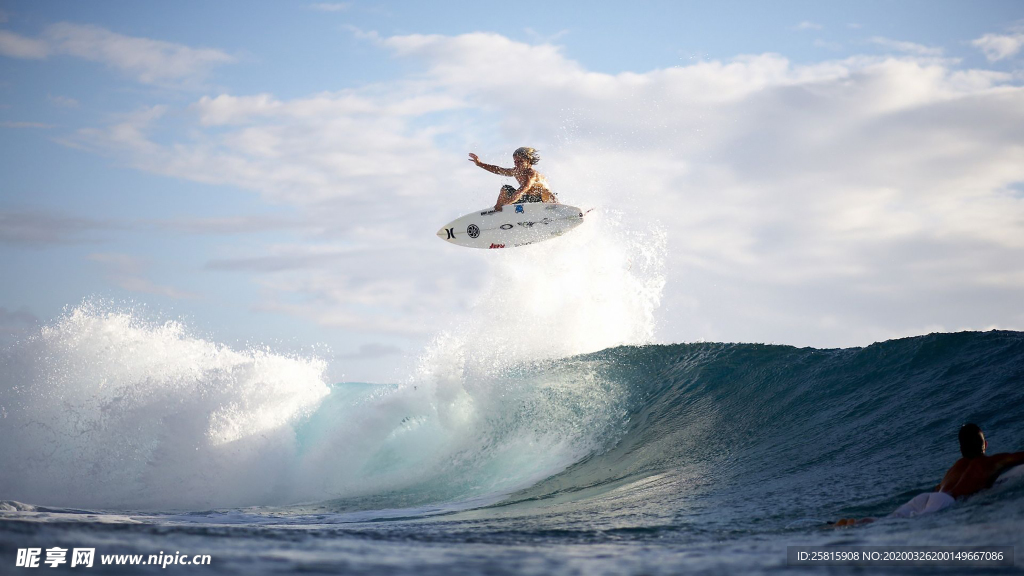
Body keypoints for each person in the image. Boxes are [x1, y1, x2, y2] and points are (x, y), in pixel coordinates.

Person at [833, 424, 1024, 526]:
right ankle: (854, 526)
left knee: (890, 519)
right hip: (945, 502)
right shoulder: (988, 462)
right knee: (907, 524)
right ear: (985, 445)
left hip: (927, 497)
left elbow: (939, 488)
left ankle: (854, 523)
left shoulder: (955, 467)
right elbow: (1017, 457)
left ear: (961, 448)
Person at [468, 147, 557, 211]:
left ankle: (558, 209)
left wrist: (508, 202)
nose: (517, 164)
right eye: (515, 161)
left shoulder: (531, 174)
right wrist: (480, 164)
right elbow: (498, 170)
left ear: (528, 161)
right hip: (526, 199)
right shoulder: (516, 171)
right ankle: (498, 210)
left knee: (546, 192)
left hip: (541, 200)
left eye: (520, 161)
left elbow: (523, 189)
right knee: (505, 188)